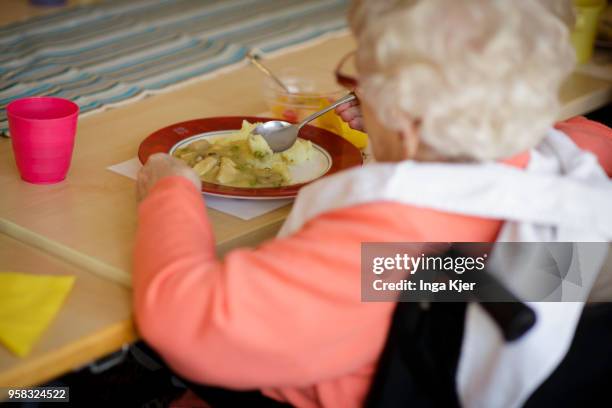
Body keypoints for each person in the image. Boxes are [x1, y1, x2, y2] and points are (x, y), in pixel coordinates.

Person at [133, 1, 612, 407]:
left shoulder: (381, 250)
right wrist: (406, 136)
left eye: (359, 74)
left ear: (402, 112)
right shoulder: (577, 165)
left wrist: (168, 193)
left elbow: (188, 324)